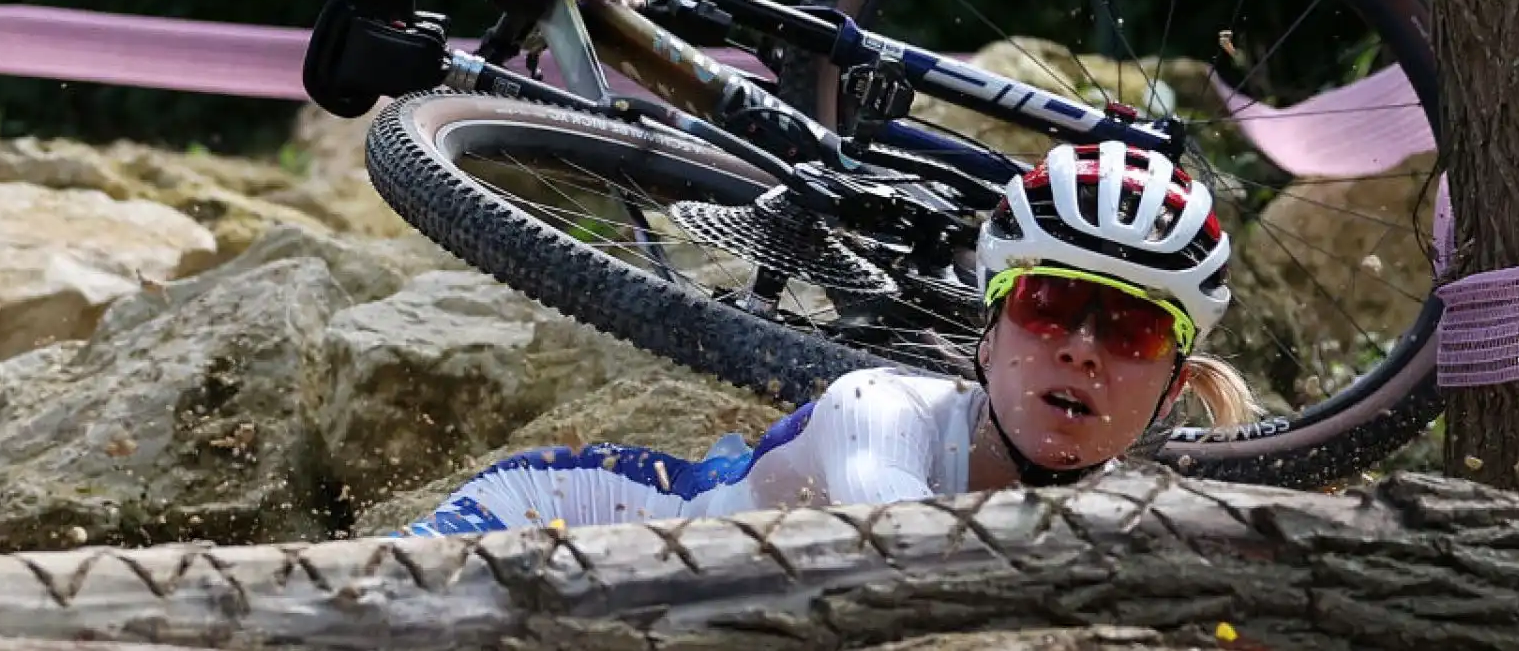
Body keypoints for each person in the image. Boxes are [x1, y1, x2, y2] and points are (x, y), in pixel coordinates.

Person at [395, 140, 1263, 536]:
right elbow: (913, 559)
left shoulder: (1132, 516)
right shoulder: (880, 408)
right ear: (989, 334)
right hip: (546, 519)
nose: (1080, 349)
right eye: (1047, 307)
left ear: (1174, 385)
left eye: (1133, 333)